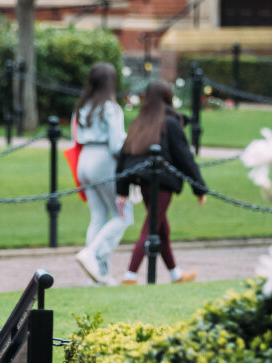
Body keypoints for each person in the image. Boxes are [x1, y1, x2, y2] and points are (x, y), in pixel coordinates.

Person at [114, 80, 205, 285]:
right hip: (161, 182)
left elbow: (124, 157)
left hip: (142, 180)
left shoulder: (140, 122)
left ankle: (175, 274)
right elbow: (185, 158)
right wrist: (199, 188)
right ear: (168, 97)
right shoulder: (170, 123)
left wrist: (122, 188)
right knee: (151, 227)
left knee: (161, 228)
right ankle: (130, 274)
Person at [71, 63, 131, 285]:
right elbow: (116, 145)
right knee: (123, 215)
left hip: (84, 158)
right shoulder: (109, 108)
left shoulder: (82, 107)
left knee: (98, 215)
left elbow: (74, 137)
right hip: (104, 159)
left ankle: (98, 275)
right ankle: (93, 256)